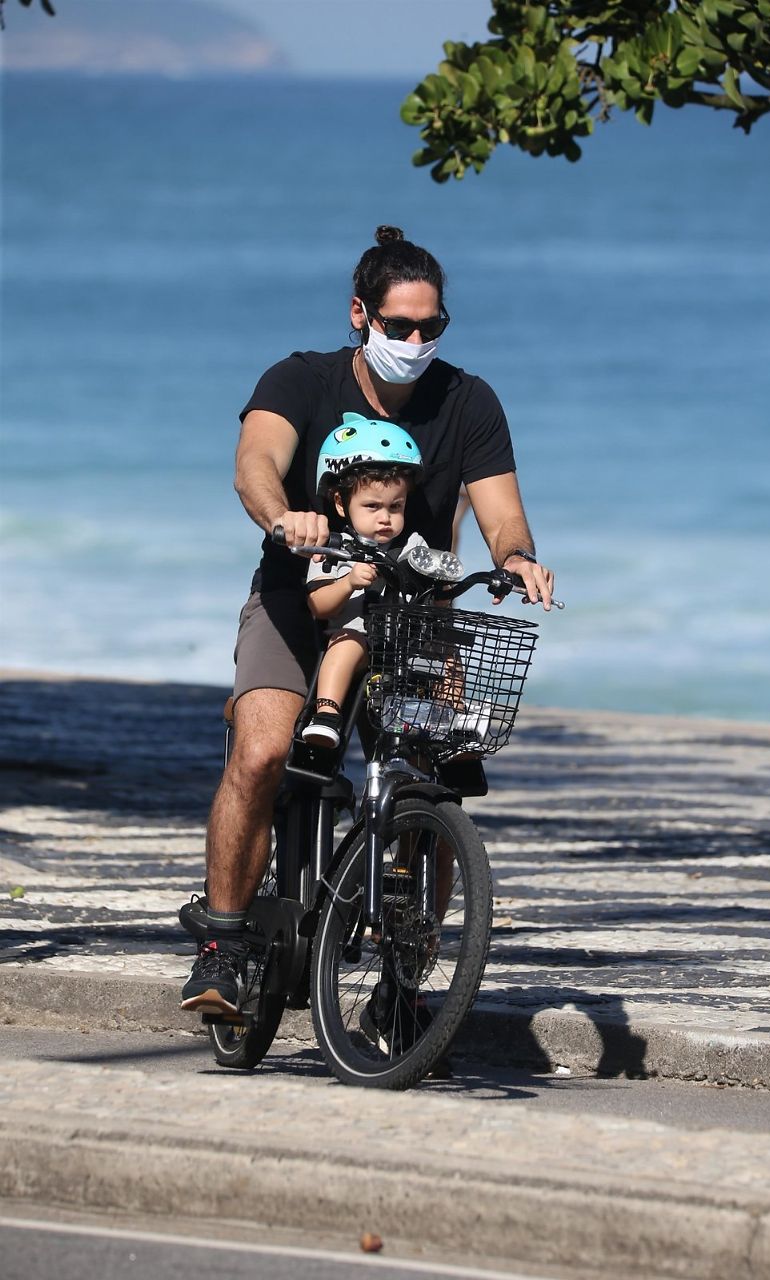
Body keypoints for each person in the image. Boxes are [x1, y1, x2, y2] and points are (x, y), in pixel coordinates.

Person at [181, 224, 555, 1017]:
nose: (415, 341)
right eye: (398, 326)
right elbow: (255, 465)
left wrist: (517, 558)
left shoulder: (468, 400)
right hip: (302, 599)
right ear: (360, 315)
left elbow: (502, 516)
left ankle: (404, 977)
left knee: (433, 788)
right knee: (261, 753)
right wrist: (286, 519)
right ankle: (221, 945)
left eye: (432, 327)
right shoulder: (301, 380)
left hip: (412, 620)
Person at [302, 415, 427, 748]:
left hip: (401, 644)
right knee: (346, 644)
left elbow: (433, 587)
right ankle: (327, 713)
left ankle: (453, 718)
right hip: (359, 637)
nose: (385, 517)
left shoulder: (412, 547)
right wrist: (348, 584)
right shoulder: (334, 548)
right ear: (341, 504)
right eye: (372, 506)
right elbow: (317, 606)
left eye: (395, 506)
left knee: (440, 655)